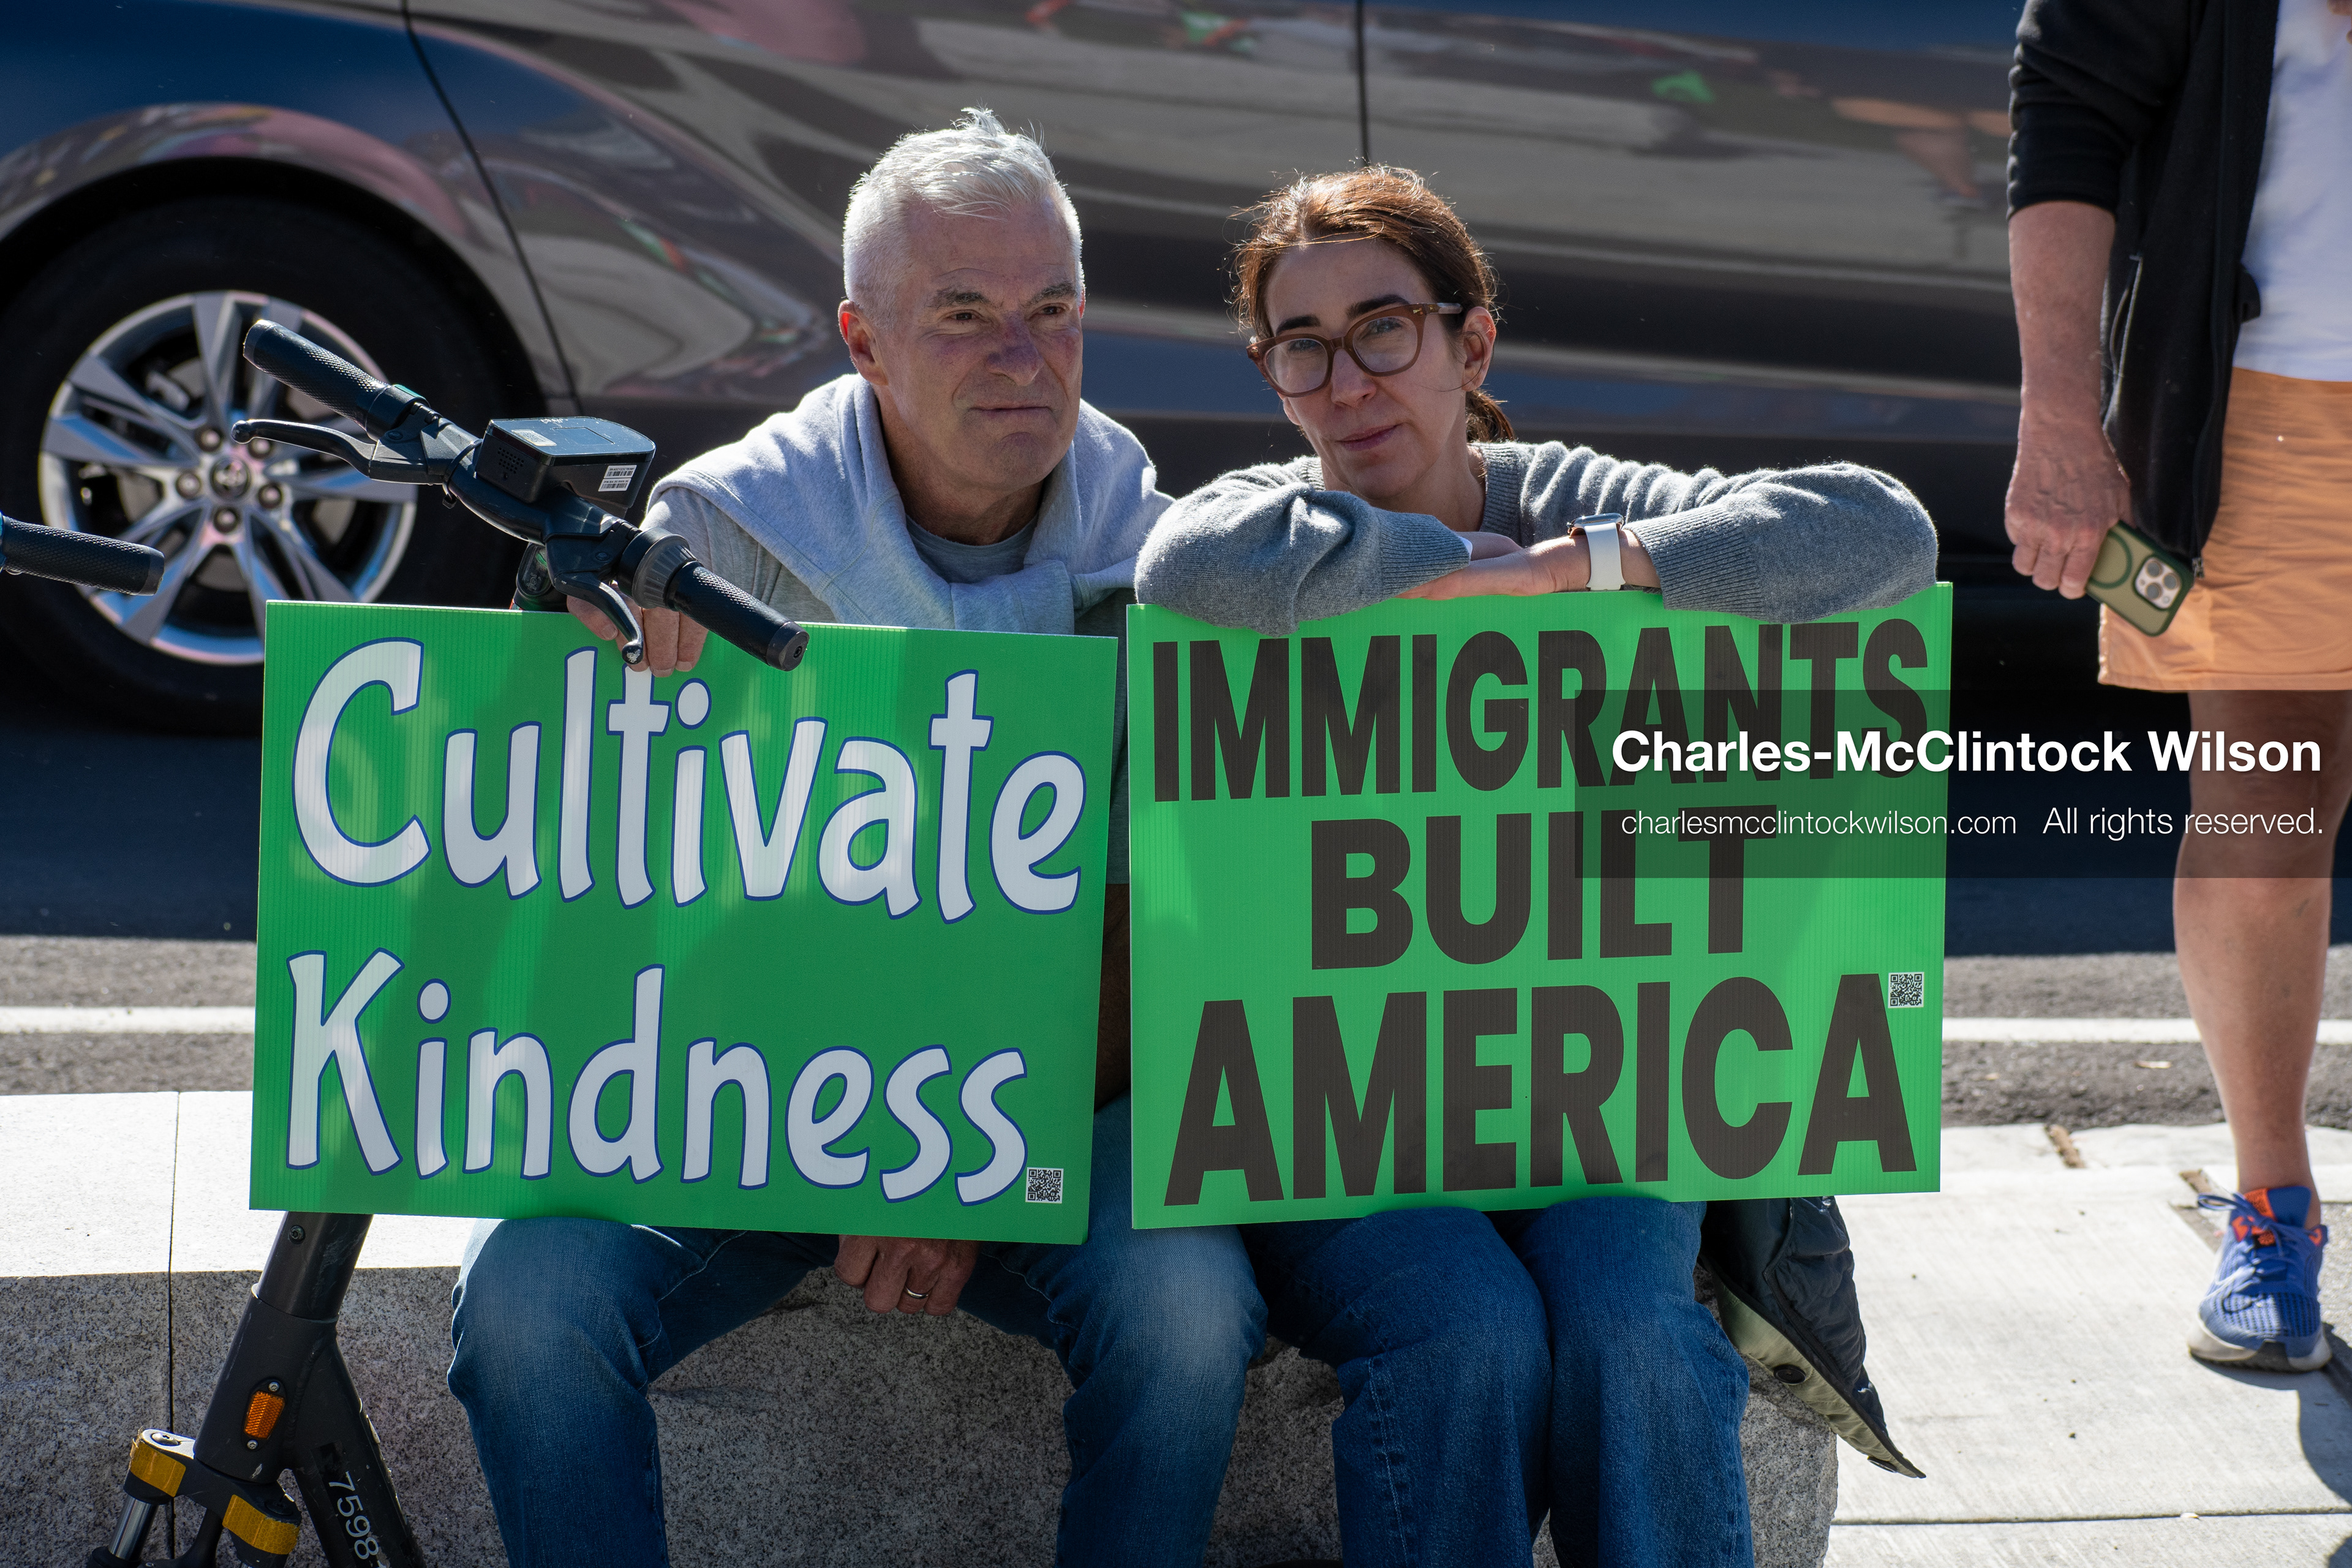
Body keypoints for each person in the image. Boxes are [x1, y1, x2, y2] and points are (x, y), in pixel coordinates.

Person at [447, 110, 1270, 1568]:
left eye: (1055, 309)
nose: (1026, 355)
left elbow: (1162, 932)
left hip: (1033, 1107)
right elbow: (557, 849)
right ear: (863, 340)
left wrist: (951, 1161)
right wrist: (565, 615)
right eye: (964, 314)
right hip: (738, 1102)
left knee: (1189, 1313)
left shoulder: (1165, 572)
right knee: (526, 1303)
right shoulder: (720, 535)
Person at [1134, 164, 1934, 1566]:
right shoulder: (1264, 519)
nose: (1347, 379)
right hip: (1350, 1125)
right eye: (1299, 346)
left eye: (1385, 328)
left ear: (1472, 343)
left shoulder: (1580, 497)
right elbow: (1178, 568)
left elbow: (1884, 529)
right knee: (1468, 1331)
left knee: (1633, 1322)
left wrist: (1572, 571)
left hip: (1596, 1101)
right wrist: (1443, 566)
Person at [2006, 0, 2352, 1373]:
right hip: (2272, 399)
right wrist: (2058, 417)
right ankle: (2273, 1208)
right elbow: (2071, 113)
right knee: (2270, 819)